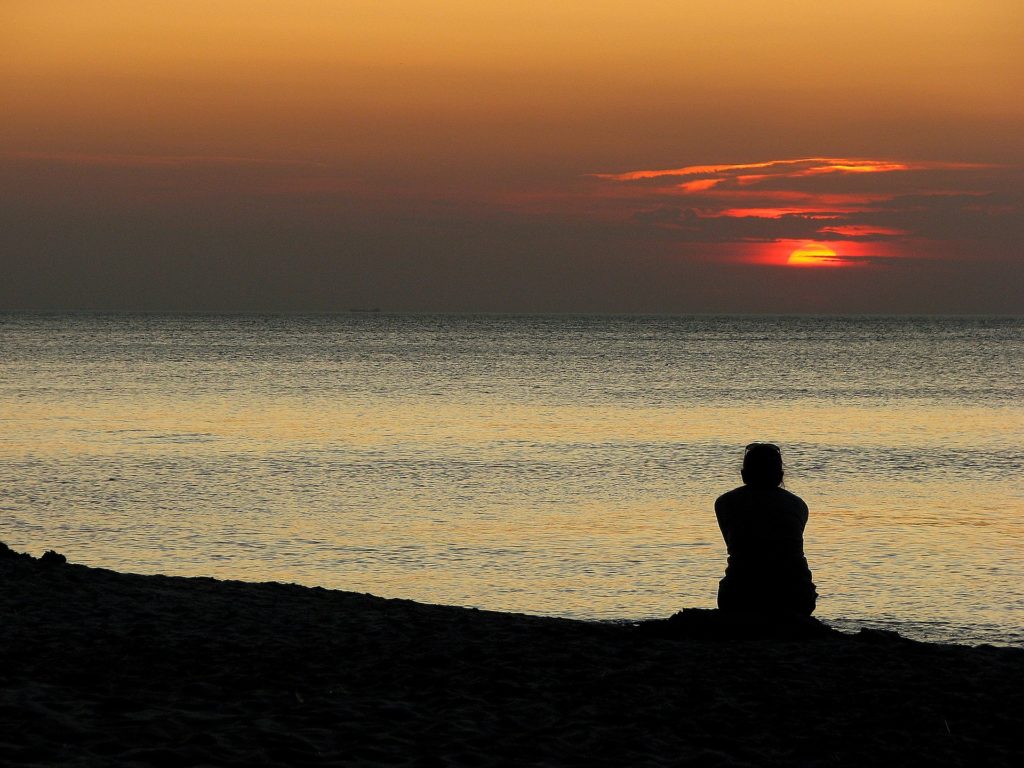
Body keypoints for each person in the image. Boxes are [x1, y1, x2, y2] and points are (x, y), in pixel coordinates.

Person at [714, 443, 817, 616]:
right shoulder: (798, 505)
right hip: (796, 597)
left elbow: (735, 545)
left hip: (740, 597)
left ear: (744, 475)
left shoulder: (725, 503)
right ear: (780, 476)